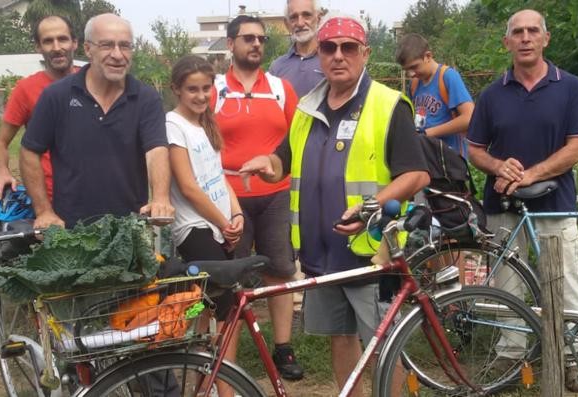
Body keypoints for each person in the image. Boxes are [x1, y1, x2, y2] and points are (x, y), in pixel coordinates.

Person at [240, 14, 430, 396]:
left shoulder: (389, 104)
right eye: (329, 47)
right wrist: (268, 165)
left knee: (383, 346)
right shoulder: (306, 108)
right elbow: (283, 163)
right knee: (341, 339)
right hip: (320, 254)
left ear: (365, 53)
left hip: (373, 251)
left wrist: (370, 206)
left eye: (348, 48)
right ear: (320, 54)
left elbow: (416, 176)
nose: (338, 55)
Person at [466, 9, 578, 392]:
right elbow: (474, 150)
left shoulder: (570, 87)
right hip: (503, 206)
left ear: (545, 39)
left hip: (555, 203)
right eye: (517, 32)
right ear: (506, 42)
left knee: (565, 283)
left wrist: (532, 173)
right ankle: (510, 356)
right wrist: (498, 165)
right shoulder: (491, 94)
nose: (524, 38)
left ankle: (573, 357)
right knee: (507, 285)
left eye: (532, 31)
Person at [212, 15, 304, 381]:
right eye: (248, 38)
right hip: (227, 198)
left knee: (280, 272)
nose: (256, 45)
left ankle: (283, 349)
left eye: (261, 39)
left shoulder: (281, 88)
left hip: (276, 195)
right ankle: (225, 357)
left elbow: (297, 141)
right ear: (230, 43)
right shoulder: (215, 89)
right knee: (228, 277)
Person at [20, 13, 173, 230]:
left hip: (129, 228)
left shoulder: (146, 98)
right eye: (107, 45)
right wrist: (44, 211)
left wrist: (160, 198)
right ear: (88, 49)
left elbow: (156, 149)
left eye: (125, 46)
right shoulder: (57, 96)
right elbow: (29, 152)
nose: (118, 55)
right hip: (71, 229)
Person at [166, 54, 245, 397]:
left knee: (215, 307)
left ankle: (210, 383)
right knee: (225, 308)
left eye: (206, 88)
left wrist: (237, 214)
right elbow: (188, 187)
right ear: (176, 90)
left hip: (218, 225)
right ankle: (219, 387)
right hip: (195, 228)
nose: (200, 96)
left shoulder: (205, 123)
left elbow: (218, 177)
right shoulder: (173, 125)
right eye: (191, 90)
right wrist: (224, 222)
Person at [0, 15, 78, 202]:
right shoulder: (25, 89)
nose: (57, 48)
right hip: (48, 198)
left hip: (94, 191)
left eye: (63, 39)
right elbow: (0, 143)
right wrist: (2, 173)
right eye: (48, 41)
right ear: (38, 47)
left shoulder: (94, 83)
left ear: (75, 42)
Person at [395, 33, 475, 158]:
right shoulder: (415, 83)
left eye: (414, 67)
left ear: (428, 56)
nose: (411, 74)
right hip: (425, 158)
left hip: (449, 163)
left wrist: (427, 133)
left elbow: (469, 118)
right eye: (407, 70)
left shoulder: (448, 76)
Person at [270, 0, 325, 97]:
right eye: (293, 17)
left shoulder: (332, 61)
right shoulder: (277, 68)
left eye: (306, 15)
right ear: (287, 24)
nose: (300, 23)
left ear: (319, 19)